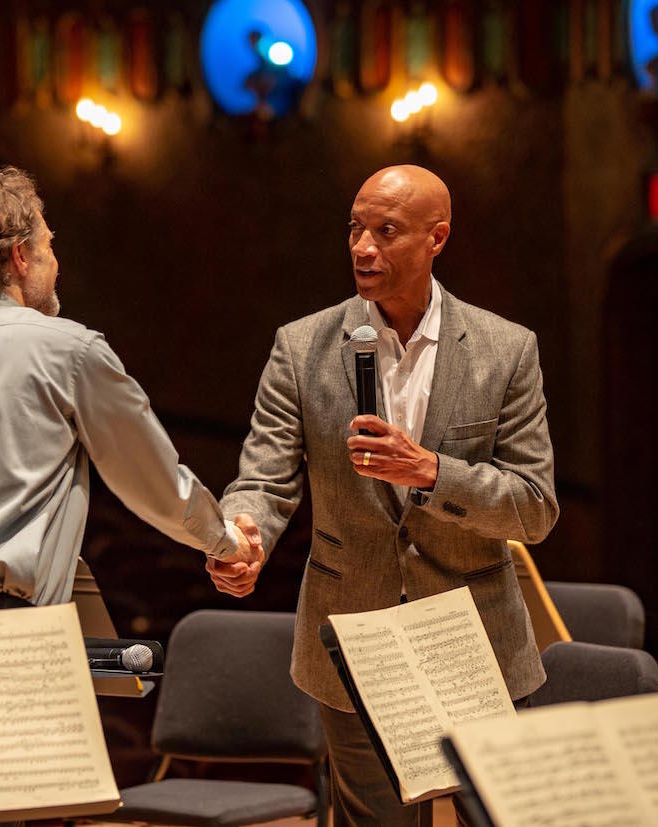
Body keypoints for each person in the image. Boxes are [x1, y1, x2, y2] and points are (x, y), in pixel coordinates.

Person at [210, 165, 558, 825]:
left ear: (437, 238)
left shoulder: (505, 350)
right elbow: (263, 474)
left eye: (386, 230)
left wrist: (432, 471)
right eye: (355, 228)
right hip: (353, 636)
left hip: (477, 636)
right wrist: (243, 534)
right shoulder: (301, 347)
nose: (363, 247)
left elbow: (534, 505)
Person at [0, 166, 255, 614]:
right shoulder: (68, 351)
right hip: (13, 633)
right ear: (20, 256)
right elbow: (152, 481)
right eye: (49, 246)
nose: (56, 264)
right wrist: (226, 542)